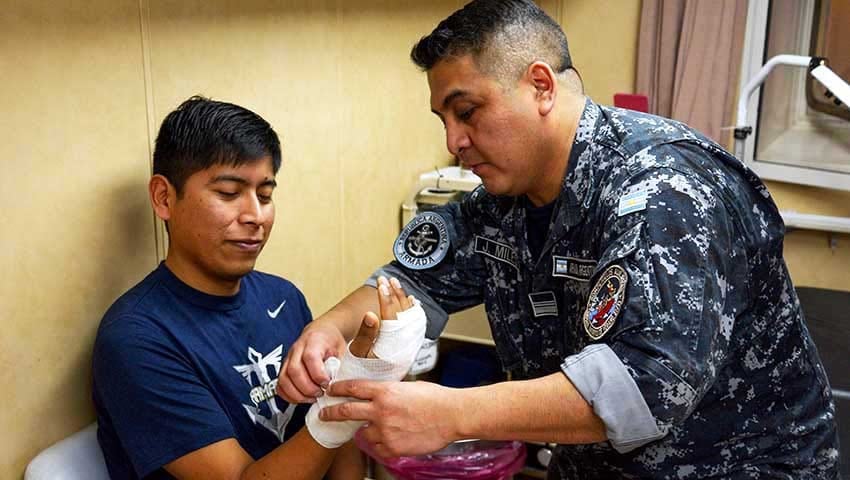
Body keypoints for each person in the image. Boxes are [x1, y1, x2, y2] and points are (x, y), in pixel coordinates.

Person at [276, 1, 841, 478]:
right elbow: (410, 279)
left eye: (467, 112)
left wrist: (452, 413)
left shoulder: (666, 189)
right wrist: (327, 329)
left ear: (540, 86)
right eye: (443, 120)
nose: (454, 141)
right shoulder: (504, 200)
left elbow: (642, 387)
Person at [92, 96, 421, 480]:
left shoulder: (282, 297)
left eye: (265, 195)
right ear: (165, 198)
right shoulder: (137, 338)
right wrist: (349, 392)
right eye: (229, 194)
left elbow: (338, 441)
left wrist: (347, 385)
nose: (255, 216)